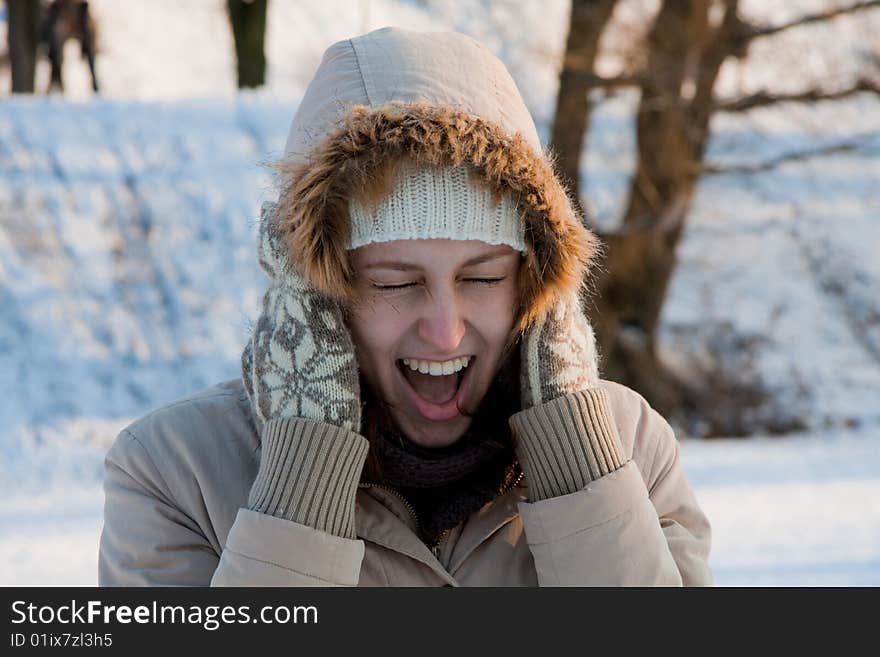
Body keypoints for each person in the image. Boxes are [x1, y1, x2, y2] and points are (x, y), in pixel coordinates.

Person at [98, 27, 712, 586]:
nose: (445, 333)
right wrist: (301, 483)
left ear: (536, 286)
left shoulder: (627, 447)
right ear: (312, 291)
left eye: (484, 277)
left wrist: (579, 463)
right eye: (394, 283)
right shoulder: (174, 473)